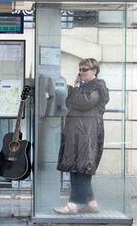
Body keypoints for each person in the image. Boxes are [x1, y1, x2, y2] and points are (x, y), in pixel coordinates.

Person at [54, 58, 110, 215]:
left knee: (83, 168)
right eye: (79, 69)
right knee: (76, 167)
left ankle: (73, 205)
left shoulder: (98, 86)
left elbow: (82, 102)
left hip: (87, 134)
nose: (80, 72)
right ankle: (91, 203)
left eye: (84, 69)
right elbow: (70, 101)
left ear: (94, 71)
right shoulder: (84, 86)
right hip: (76, 133)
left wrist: (76, 87)